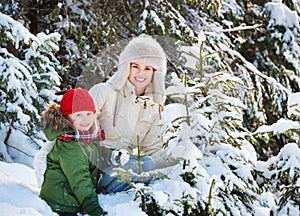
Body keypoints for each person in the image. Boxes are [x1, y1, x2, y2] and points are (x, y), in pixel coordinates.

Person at [89, 36, 194, 194]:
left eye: (148, 68)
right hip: (92, 166)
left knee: (154, 163)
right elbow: (73, 130)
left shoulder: (153, 108)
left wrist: (178, 158)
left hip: (122, 168)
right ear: (126, 67)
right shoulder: (103, 91)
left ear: (155, 73)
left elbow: (151, 151)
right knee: (142, 165)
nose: (140, 73)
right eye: (135, 66)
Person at [38, 88, 128, 216]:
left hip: (76, 196)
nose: (85, 119)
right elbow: (79, 179)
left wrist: (113, 155)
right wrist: (93, 210)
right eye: (78, 115)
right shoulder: (70, 145)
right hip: (64, 204)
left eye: (88, 114)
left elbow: (98, 152)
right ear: (67, 118)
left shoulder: (84, 136)